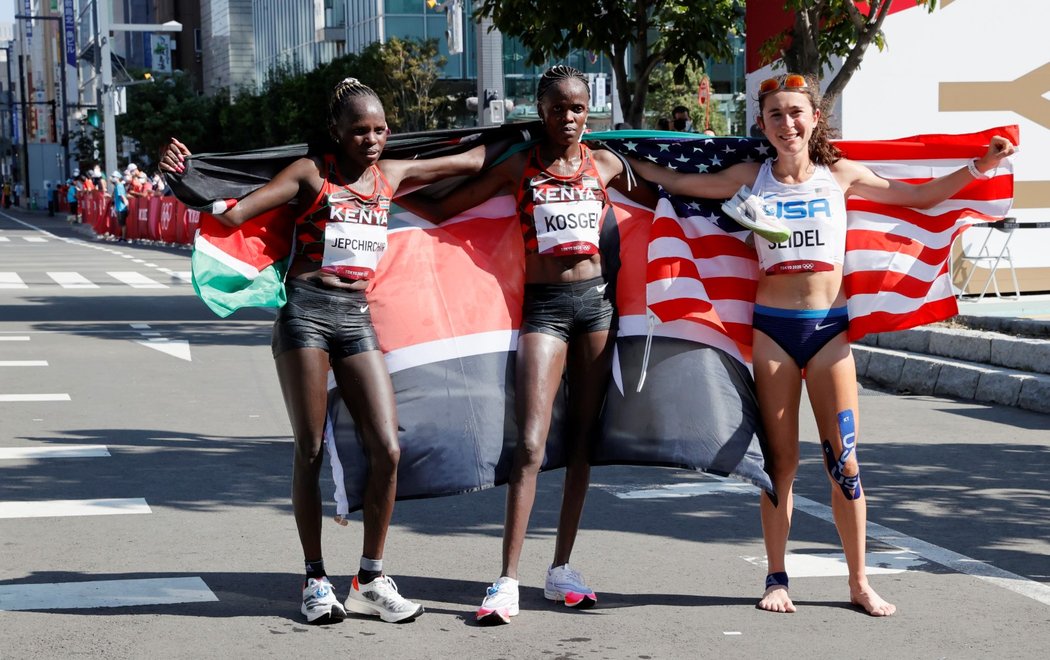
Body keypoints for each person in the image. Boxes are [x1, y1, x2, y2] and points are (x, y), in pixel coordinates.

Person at [629, 73, 1015, 617]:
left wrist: (981, 166)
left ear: (814, 118)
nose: (787, 123)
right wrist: (607, 155)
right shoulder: (750, 176)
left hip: (830, 331)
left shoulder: (842, 174)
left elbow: (921, 196)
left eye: (796, 113)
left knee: (846, 464)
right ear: (761, 125)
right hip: (773, 334)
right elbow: (675, 182)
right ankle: (776, 577)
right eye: (775, 115)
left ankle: (859, 583)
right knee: (780, 465)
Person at [159, 77, 493, 626]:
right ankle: (315, 579)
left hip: (357, 318)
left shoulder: (391, 175)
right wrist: (183, 177)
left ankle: (370, 577)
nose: (372, 139)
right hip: (306, 316)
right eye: (359, 130)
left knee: (387, 448)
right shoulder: (310, 174)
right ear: (334, 132)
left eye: (380, 129)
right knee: (310, 449)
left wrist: (541, 136)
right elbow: (235, 215)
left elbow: (474, 160)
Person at [402, 65, 642, 625]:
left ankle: (561, 569)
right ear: (541, 109)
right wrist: (380, 190)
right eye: (558, 108)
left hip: (598, 310)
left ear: (590, 111)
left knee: (584, 442)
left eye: (578, 108)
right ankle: (506, 579)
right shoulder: (520, 164)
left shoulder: (604, 164)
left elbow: (665, 192)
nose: (569, 118)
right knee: (531, 444)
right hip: (546, 312)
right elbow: (443, 206)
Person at [110, 171, 129, 241]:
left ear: (118, 178)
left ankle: (123, 237)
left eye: (113, 177)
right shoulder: (117, 186)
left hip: (122, 207)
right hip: (118, 207)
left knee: (123, 223)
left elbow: (122, 196)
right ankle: (122, 236)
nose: (112, 178)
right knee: (120, 223)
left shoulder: (119, 186)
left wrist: (126, 204)